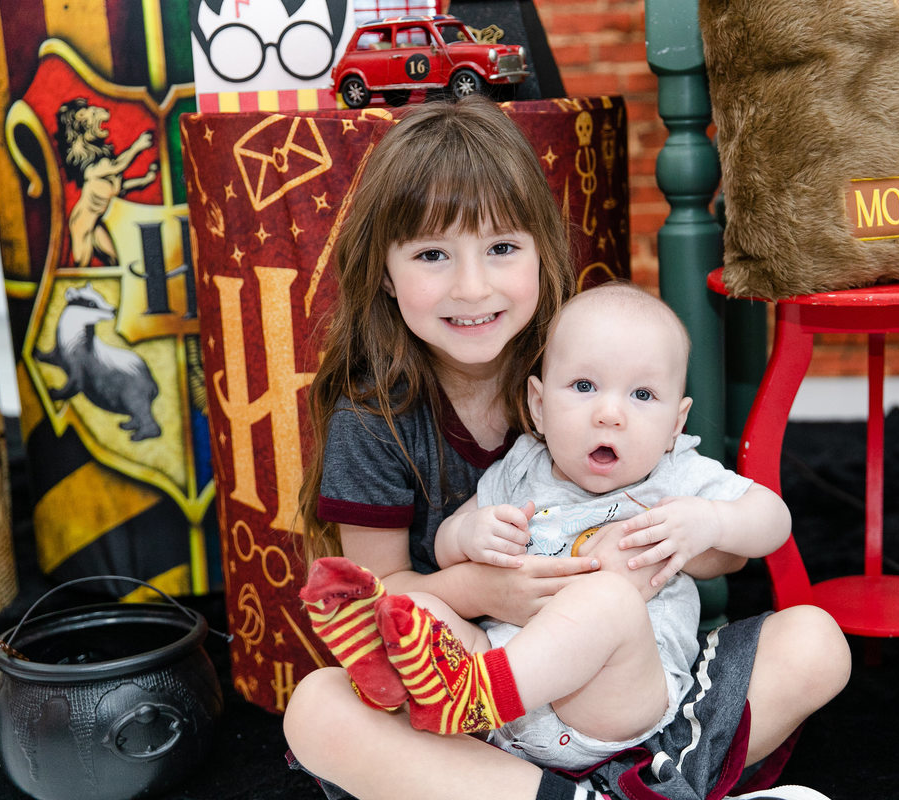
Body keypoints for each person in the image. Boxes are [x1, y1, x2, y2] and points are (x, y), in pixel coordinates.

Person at [282, 95, 851, 800]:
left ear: (541, 252)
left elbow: (728, 549)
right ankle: (614, 791)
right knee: (315, 709)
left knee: (815, 642)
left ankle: (586, 786)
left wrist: (655, 544)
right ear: (385, 275)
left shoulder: (588, 356)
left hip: (630, 689)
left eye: (501, 249)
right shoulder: (373, 418)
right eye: (432, 254)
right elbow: (383, 596)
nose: (472, 287)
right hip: (475, 706)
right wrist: (485, 588)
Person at [301, 283, 794, 772]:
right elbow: (446, 542)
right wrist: (469, 535)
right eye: (584, 387)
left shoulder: (676, 474)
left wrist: (711, 521)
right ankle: (402, 679)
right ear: (538, 405)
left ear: (675, 425)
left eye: (642, 395)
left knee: (609, 600)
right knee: (418, 609)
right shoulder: (522, 467)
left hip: (608, 701)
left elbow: (773, 518)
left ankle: (477, 698)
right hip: (495, 681)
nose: (609, 414)